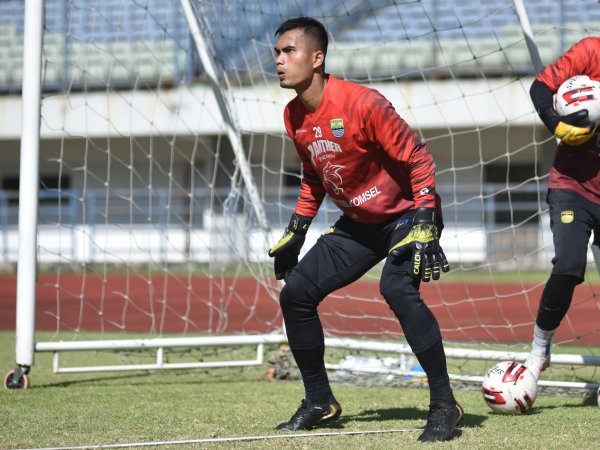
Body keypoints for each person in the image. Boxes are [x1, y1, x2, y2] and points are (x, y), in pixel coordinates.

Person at [268, 16, 463, 443]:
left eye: (288, 52)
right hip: (359, 225)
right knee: (296, 294)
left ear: (317, 58)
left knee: (396, 289)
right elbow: (315, 176)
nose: (279, 61)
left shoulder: (363, 103)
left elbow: (419, 160)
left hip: (409, 216)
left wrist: (427, 219)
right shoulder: (292, 115)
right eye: (276, 54)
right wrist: (298, 229)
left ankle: (445, 405)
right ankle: (320, 401)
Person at [525, 36, 600, 380]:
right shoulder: (590, 50)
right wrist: (558, 124)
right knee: (569, 266)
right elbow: (540, 89)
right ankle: (539, 350)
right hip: (572, 185)